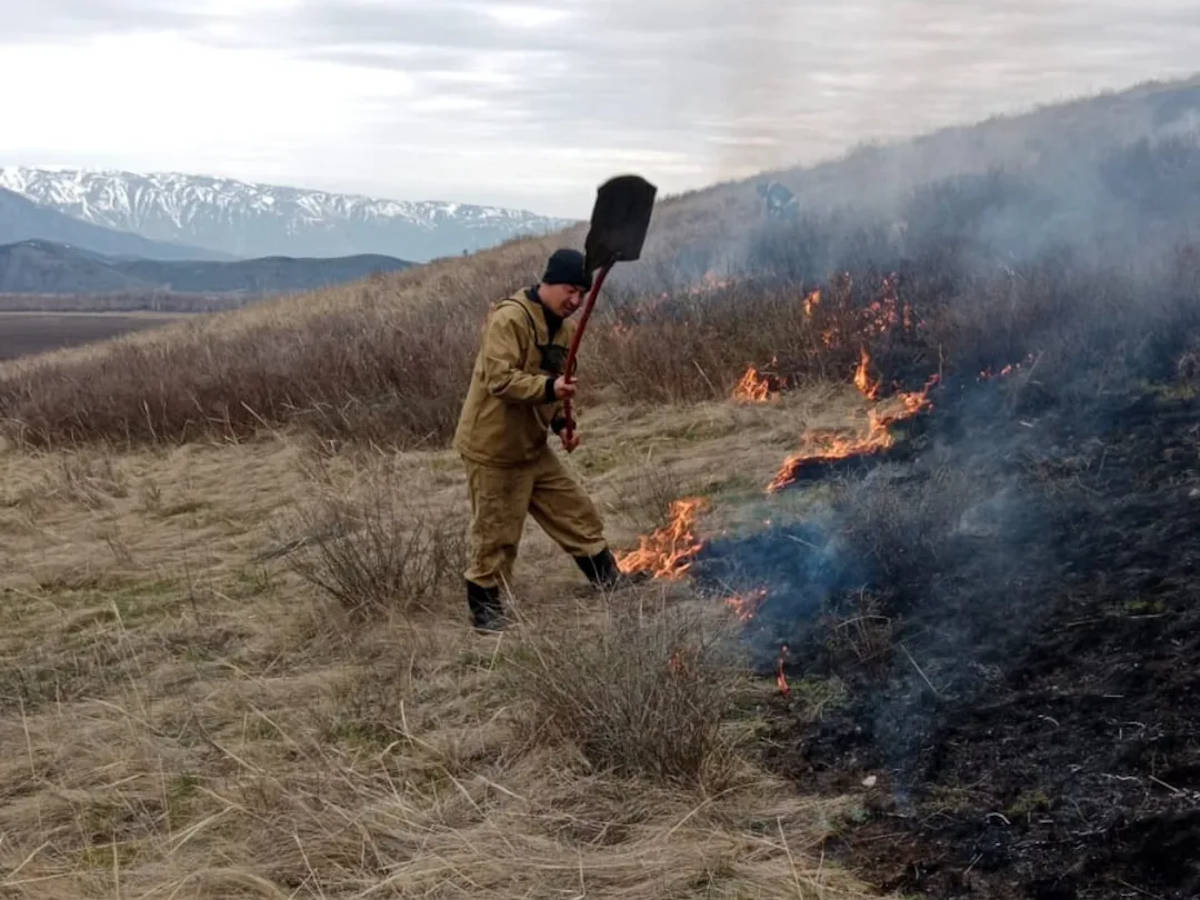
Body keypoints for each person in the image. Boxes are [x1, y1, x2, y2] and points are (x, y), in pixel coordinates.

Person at [451, 248, 640, 632]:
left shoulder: (566, 330)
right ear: (548, 282)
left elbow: (558, 387)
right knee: (496, 532)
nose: (575, 301)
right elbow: (500, 380)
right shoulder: (510, 320)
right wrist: (551, 388)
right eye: (570, 290)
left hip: (532, 446)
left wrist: (560, 425)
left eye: (582, 295)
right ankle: (485, 609)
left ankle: (606, 579)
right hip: (494, 448)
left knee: (576, 512)